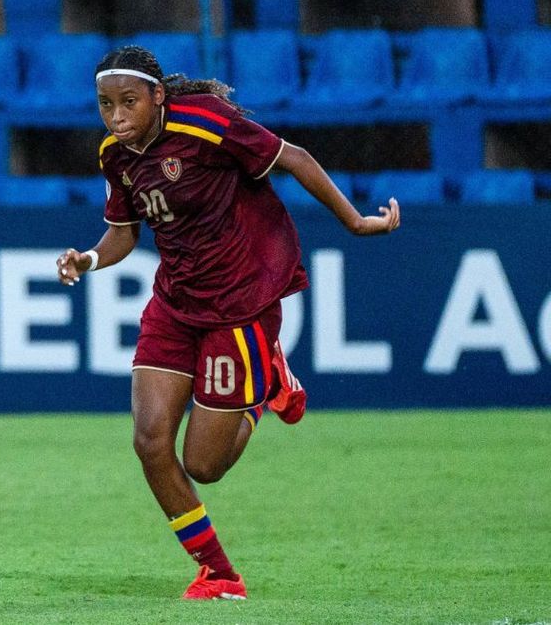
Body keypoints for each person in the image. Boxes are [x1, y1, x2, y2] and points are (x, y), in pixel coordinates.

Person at [56, 45, 400, 600]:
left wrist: (356, 221)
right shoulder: (115, 155)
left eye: (128, 103)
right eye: (105, 105)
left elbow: (295, 158)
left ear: (157, 96)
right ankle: (219, 573)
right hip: (174, 302)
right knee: (149, 441)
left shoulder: (208, 123)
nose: (116, 116)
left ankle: (269, 385)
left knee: (204, 464)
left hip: (240, 302)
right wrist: (88, 260)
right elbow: (123, 232)